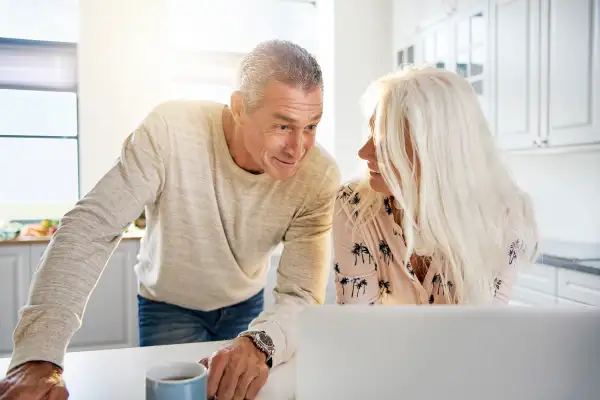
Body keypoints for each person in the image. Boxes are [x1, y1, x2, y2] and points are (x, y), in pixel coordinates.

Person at [0, 40, 340, 400]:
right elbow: (91, 227)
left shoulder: (318, 176)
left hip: (246, 306)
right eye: (283, 126)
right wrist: (37, 355)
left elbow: (301, 292)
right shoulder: (171, 130)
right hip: (168, 306)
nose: (298, 148)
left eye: (311, 126)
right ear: (239, 107)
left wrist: (262, 343)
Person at [333, 66, 538, 306]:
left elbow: (484, 326)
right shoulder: (355, 204)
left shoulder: (506, 215)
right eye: (370, 134)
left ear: (437, 154)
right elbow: (358, 322)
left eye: (386, 142)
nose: (363, 152)